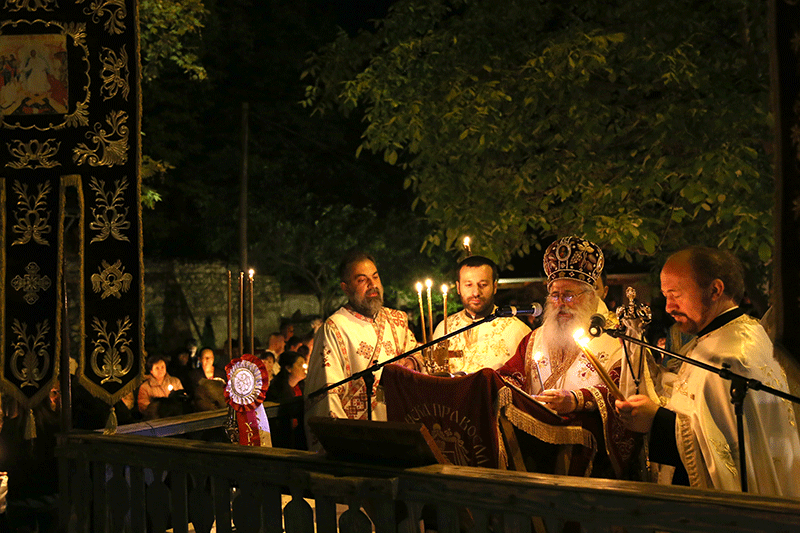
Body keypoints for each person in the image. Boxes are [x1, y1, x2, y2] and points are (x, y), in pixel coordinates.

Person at [616, 247, 800, 496]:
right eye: (665, 296)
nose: (668, 307)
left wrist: (657, 421)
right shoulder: (733, 334)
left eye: (675, 295)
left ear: (715, 290)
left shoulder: (731, 356)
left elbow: (727, 455)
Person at [498, 236, 638, 479]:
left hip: (589, 463)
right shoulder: (533, 339)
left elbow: (622, 389)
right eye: (555, 295)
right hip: (533, 453)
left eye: (569, 295)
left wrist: (576, 400)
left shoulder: (616, 340)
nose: (561, 303)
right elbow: (510, 376)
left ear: (592, 296)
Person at [304, 250, 419, 449]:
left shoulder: (397, 320)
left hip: (400, 429)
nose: (372, 284)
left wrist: (412, 362)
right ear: (346, 288)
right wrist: (344, 445)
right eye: (362, 280)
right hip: (361, 439)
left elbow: (416, 353)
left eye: (375, 277)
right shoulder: (335, 328)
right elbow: (327, 395)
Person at [431, 256, 530, 374]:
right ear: (458, 288)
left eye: (483, 284)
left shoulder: (518, 331)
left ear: (494, 287)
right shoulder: (444, 329)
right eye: (468, 285)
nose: (476, 293)